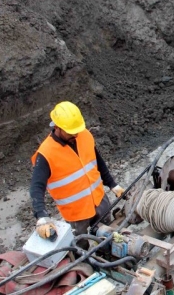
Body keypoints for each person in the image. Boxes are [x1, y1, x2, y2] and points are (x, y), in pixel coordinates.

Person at [29, 101, 124, 244]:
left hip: (99, 201)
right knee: (81, 248)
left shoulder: (84, 135)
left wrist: (112, 184)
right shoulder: (46, 154)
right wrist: (41, 216)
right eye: (70, 131)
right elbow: (36, 187)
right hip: (77, 214)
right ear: (57, 127)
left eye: (76, 130)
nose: (75, 134)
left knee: (108, 237)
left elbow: (98, 162)